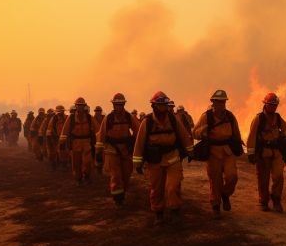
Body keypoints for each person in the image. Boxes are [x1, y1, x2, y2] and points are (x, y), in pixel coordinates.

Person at [133, 91, 194, 225]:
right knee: (157, 188)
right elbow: (139, 144)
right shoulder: (147, 123)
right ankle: (158, 213)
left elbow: (184, 136)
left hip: (173, 158)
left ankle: (175, 210)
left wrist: (191, 153)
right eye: (159, 105)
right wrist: (137, 164)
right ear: (153, 106)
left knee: (174, 185)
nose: (162, 107)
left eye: (164, 105)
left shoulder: (173, 120)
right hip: (154, 161)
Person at [192, 90, 242, 218]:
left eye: (224, 101)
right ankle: (216, 206)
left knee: (232, 176)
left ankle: (225, 194)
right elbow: (195, 133)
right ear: (214, 102)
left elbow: (236, 133)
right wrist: (201, 131)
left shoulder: (230, 116)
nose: (222, 103)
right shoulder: (206, 116)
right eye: (219, 101)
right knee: (215, 180)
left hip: (228, 150)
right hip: (213, 151)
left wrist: (239, 146)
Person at [245, 93, 286, 212]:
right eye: (271, 105)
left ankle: (276, 200)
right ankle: (264, 201)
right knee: (263, 179)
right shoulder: (258, 119)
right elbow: (252, 136)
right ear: (266, 105)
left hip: (276, 152)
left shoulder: (278, 118)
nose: (274, 107)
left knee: (279, 176)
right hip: (262, 152)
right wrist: (251, 153)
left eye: (275, 105)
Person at [95, 93, 140, 206]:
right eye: (117, 104)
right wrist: (98, 154)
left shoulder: (130, 118)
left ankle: (122, 194)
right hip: (111, 149)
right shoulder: (108, 119)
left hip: (125, 149)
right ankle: (117, 197)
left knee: (126, 174)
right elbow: (101, 137)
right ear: (113, 105)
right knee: (116, 174)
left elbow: (139, 133)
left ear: (124, 104)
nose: (119, 107)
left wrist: (137, 148)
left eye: (121, 105)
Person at [60, 98, 100, 187]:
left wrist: (100, 142)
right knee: (76, 163)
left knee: (87, 162)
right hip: (75, 143)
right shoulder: (71, 118)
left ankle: (87, 176)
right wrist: (62, 144)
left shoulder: (90, 118)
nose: (80, 107)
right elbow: (65, 132)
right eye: (79, 105)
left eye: (82, 105)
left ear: (84, 106)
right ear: (76, 106)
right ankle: (79, 179)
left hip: (87, 143)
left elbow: (98, 130)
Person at [46, 105, 68, 170]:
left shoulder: (67, 118)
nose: (60, 113)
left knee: (65, 151)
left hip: (65, 138)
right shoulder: (54, 119)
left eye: (61, 111)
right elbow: (49, 129)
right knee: (54, 151)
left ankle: (64, 164)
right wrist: (51, 138)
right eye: (59, 112)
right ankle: (55, 164)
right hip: (56, 137)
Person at [93, 106, 106, 174]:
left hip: (103, 139)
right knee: (98, 154)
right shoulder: (92, 119)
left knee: (104, 154)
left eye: (99, 111)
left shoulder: (104, 118)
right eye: (97, 111)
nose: (98, 112)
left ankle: (101, 167)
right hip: (96, 140)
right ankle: (98, 168)